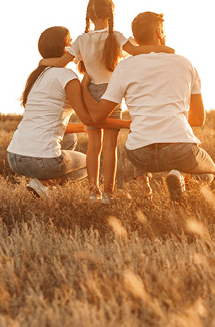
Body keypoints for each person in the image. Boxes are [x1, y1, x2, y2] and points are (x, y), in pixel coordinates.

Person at [39, 0, 173, 204]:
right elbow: (137, 52)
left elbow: (61, 62)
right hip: (112, 94)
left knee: (94, 146)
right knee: (110, 147)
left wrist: (43, 61)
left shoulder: (82, 40)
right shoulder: (116, 36)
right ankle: (108, 194)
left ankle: (93, 192)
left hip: (90, 92)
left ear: (89, 16)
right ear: (110, 14)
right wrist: (163, 49)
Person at [82, 12, 215, 202]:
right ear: (159, 32)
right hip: (178, 149)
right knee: (209, 172)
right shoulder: (186, 64)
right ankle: (179, 175)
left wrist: (83, 87)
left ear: (135, 39)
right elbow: (198, 120)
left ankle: (152, 185)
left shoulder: (124, 67)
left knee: (142, 135)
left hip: (140, 154)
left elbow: (98, 116)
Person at [7, 26, 129, 198]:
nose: (73, 44)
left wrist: (84, 129)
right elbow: (89, 119)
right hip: (40, 162)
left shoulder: (37, 75)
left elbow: (55, 124)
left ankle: (41, 185)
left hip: (14, 157)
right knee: (87, 165)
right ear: (64, 48)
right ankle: (43, 183)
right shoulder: (67, 76)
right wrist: (127, 124)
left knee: (70, 138)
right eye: (70, 41)